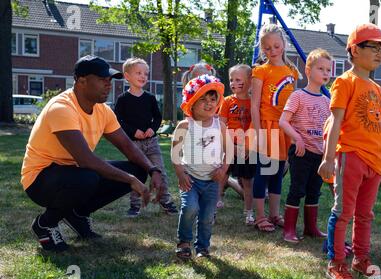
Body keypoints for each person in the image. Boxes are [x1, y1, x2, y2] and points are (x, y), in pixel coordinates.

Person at [21, 55, 162, 252]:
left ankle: (78, 214)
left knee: (138, 169)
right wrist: (129, 180)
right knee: (88, 177)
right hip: (39, 180)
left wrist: (153, 169)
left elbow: (127, 146)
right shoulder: (61, 107)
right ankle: (45, 224)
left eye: (110, 80)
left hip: (73, 174)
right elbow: (86, 159)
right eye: (103, 80)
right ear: (81, 81)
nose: (108, 85)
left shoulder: (102, 110)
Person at [318, 23, 381, 279]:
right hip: (350, 155)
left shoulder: (377, 89)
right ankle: (336, 262)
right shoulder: (345, 82)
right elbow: (335, 123)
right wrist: (329, 159)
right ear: (354, 50)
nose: (380, 53)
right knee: (343, 211)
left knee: (365, 215)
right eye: (373, 47)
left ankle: (360, 259)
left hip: (375, 160)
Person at [171, 74, 231, 259]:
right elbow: (175, 153)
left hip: (212, 181)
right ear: (192, 102)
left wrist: (223, 169)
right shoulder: (185, 125)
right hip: (191, 178)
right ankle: (184, 243)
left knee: (207, 216)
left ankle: (203, 247)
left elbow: (229, 150)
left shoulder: (219, 125)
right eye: (203, 99)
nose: (209, 103)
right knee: (189, 208)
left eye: (213, 99)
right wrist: (181, 174)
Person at [250, 23, 301, 232]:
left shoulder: (292, 71)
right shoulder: (260, 71)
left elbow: (295, 104)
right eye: (267, 48)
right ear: (262, 49)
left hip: (284, 129)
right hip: (266, 127)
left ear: (284, 44)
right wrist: (258, 131)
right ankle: (260, 216)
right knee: (263, 172)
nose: (272, 51)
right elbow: (254, 105)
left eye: (276, 46)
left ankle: (274, 214)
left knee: (278, 173)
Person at [279, 48, 332, 243]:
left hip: (319, 155)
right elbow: (283, 121)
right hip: (301, 152)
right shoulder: (298, 96)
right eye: (321, 69)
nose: (325, 73)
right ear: (308, 70)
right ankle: (289, 229)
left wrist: (328, 154)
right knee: (297, 189)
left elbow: (329, 130)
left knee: (314, 191)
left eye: (328, 70)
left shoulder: (328, 102)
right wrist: (297, 138)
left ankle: (311, 228)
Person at [114, 57, 177, 217]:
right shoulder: (122, 100)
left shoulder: (149, 98)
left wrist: (152, 128)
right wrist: (132, 131)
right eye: (139, 73)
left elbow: (157, 117)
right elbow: (118, 121)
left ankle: (165, 200)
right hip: (133, 144)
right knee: (137, 174)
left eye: (146, 74)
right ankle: (135, 205)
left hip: (151, 142)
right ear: (127, 76)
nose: (143, 76)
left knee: (160, 171)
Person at [218, 64, 256, 225]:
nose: (233, 83)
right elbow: (221, 124)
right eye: (231, 80)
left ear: (249, 81)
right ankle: (214, 204)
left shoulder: (254, 102)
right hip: (229, 145)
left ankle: (249, 212)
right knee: (221, 175)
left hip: (246, 148)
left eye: (238, 79)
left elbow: (256, 125)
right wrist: (228, 146)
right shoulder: (226, 101)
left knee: (247, 181)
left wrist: (248, 146)